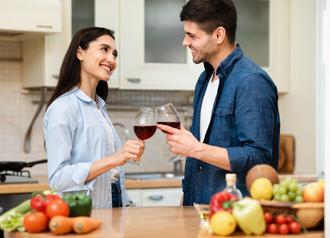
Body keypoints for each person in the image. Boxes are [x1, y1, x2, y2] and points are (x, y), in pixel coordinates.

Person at [157, 0, 280, 205]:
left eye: (192, 35)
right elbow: (202, 156)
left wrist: (195, 148)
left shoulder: (251, 81)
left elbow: (258, 157)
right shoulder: (204, 80)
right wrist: (187, 197)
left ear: (219, 35)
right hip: (199, 208)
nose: (185, 42)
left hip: (234, 214)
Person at [43, 27, 145, 208]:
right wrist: (115, 158)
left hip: (114, 202)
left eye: (114, 54)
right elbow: (58, 179)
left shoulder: (99, 106)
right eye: (104, 50)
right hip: (84, 210)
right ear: (80, 53)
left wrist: (127, 204)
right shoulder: (63, 108)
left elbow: (111, 175)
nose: (112, 59)